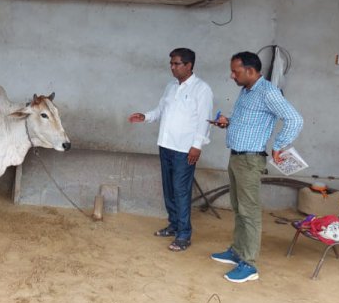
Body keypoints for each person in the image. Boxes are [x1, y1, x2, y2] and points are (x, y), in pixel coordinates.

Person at [210, 51, 303, 283]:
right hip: (237, 158)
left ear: (251, 71)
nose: (232, 76)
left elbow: (294, 119)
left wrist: (279, 145)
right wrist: (228, 122)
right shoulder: (246, 91)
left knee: (249, 211)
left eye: (236, 71)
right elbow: (250, 122)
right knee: (238, 207)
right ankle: (237, 251)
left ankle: (249, 264)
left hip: (251, 160)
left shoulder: (268, 92)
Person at [129, 48, 213, 252]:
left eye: (176, 64)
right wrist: (146, 116)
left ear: (189, 65)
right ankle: (174, 225)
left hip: (185, 149)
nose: (172, 67)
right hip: (166, 145)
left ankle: (184, 235)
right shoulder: (170, 87)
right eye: (171, 64)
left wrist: (197, 146)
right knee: (169, 189)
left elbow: (205, 120)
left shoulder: (202, 90)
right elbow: (160, 110)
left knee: (181, 190)